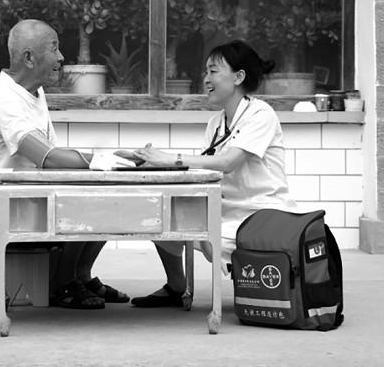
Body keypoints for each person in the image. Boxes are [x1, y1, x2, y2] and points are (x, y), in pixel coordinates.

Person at [0, 19, 134, 310]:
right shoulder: (4, 97)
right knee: (88, 199)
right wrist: (103, 160)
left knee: (105, 193)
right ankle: (63, 283)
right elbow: (47, 157)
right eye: (54, 49)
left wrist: (106, 162)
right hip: (0, 204)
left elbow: (52, 155)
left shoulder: (34, 92)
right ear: (29, 58)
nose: (61, 57)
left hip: (26, 194)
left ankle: (80, 275)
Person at [128, 39, 298, 307]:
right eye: (206, 71)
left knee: (203, 234)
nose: (206, 78)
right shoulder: (216, 123)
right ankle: (176, 286)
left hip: (261, 215)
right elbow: (205, 168)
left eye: (213, 71)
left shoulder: (261, 114)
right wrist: (153, 163)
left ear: (238, 77)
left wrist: (171, 158)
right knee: (159, 216)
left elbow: (228, 162)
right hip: (225, 211)